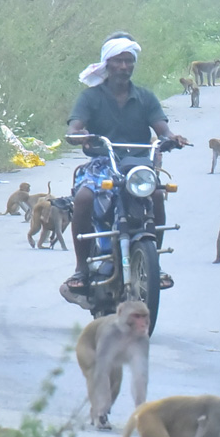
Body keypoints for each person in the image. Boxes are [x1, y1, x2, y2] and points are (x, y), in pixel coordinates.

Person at [64, 33, 189, 291]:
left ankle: (154, 262)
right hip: (102, 162)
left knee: (155, 194)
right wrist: (80, 136)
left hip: (137, 165)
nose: (124, 67)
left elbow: (162, 128)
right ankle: (81, 267)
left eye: (129, 61)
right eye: (118, 61)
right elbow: (75, 127)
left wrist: (170, 137)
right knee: (84, 198)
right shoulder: (90, 97)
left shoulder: (145, 97)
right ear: (106, 64)